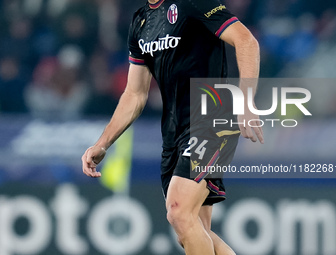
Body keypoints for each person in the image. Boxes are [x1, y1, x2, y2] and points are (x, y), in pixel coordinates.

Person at [82, 0, 264, 254]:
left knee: (178, 212)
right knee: (194, 229)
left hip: (209, 121)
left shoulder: (193, 3)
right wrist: (103, 144)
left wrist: (246, 100)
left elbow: (247, 41)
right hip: (173, 134)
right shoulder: (141, 21)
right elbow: (135, 94)